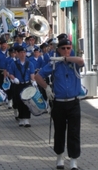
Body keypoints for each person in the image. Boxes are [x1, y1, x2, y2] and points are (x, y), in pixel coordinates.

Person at [35, 39, 84, 170]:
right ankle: (60, 157)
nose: (66, 51)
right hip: (59, 103)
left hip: (73, 102)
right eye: (64, 48)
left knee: (74, 132)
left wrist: (67, 59)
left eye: (69, 48)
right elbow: (38, 76)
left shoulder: (74, 62)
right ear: (59, 50)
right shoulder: (54, 63)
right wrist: (46, 88)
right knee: (59, 131)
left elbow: (81, 61)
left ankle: (73, 160)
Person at [9, 46, 36, 127]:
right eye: (21, 53)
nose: (23, 54)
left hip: (27, 84)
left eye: (24, 52)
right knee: (19, 101)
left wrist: (34, 81)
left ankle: (27, 120)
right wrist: (14, 78)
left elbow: (32, 74)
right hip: (18, 84)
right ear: (18, 54)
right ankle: (21, 118)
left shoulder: (29, 64)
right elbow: (10, 73)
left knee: (27, 102)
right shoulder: (14, 63)